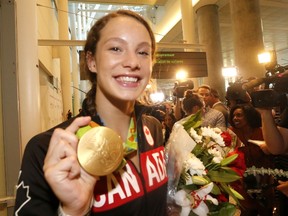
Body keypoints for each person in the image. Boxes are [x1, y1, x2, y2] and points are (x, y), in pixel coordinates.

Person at [14, 10, 168, 216]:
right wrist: (72, 211)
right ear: (91, 61)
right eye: (116, 48)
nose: (133, 62)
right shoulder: (48, 150)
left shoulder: (153, 129)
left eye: (143, 52)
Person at [229, 104, 276, 216]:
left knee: (265, 210)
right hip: (243, 181)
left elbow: (273, 154)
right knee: (246, 211)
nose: (235, 118)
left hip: (264, 179)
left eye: (239, 115)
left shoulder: (262, 132)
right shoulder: (232, 133)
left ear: (249, 116)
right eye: (234, 115)